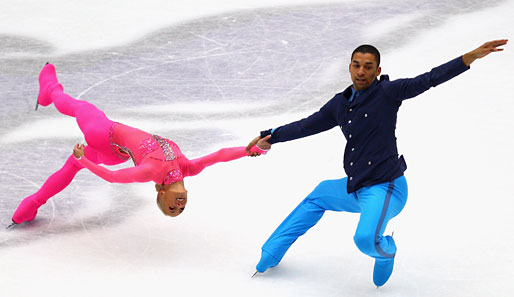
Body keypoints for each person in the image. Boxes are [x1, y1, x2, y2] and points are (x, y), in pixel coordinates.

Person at [246, 39, 508, 287]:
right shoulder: (340, 103)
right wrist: (271, 136)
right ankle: (272, 251)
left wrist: (469, 57)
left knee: (365, 240)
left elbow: (428, 79)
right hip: (356, 187)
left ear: (377, 70)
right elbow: (307, 125)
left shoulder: (388, 93)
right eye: (356, 65)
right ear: (349, 67)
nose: (361, 71)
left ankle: (387, 251)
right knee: (318, 196)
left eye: (368, 66)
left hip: (387, 188)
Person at [10, 63, 269, 226]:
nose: (179, 204)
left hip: (104, 134)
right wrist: (249, 151)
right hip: (116, 153)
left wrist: (83, 159)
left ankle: (51, 90)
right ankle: (30, 205)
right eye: (181, 207)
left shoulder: (151, 172)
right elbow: (220, 155)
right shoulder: (187, 167)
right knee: (70, 166)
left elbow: (112, 178)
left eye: (171, 207)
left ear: (160, 194)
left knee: (81, 108)